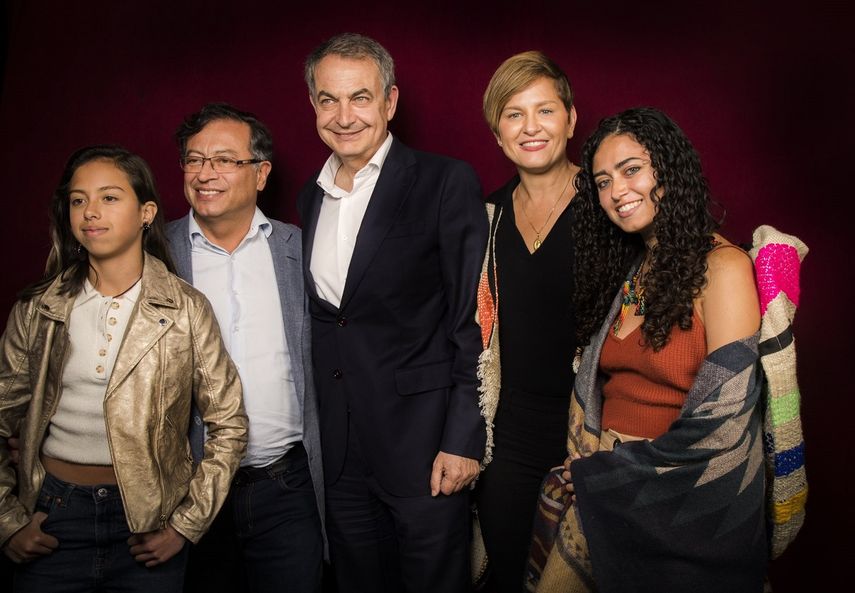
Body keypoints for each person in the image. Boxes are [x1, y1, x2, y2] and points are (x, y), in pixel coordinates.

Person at [527, 107, 766, 593]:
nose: (617, 192)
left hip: (672, 500)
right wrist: (594, 469)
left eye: (631, 170)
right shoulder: (632, 272)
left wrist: (607, 472)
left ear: (668, 170)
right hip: (600, 490)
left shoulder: (724, 269)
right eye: (602, 181)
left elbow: (727, 423)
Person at [0, 145, 247, 593]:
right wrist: (8, 522)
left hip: (149, 522)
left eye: (109, 198)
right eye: (78, 200)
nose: (91, 212)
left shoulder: (186, 310)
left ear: (146, 212)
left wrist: (186, 526)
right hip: (54, 516)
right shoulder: (40, 308)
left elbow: (229, 424)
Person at [297, 33, 488, 593]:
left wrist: (463, 438)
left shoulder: (444, 181)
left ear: (390, 102)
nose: (344, 115)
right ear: (313, 106)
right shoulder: (311, 197)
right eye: (328, 99)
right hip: (340, 451)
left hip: (425, 447)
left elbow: (472, 320)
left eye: (360, 97)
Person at [167, 103, 325, 593]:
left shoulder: (302, 248)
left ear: (261, 174)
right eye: (194, 160)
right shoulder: (155, 252)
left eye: (223, 160)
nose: (205, 174)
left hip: (286, 486)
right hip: (186, 494)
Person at [473, 51, 581, 593]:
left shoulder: (609, 204)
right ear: (498, 132)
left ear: (571, 119)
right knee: (512, 575)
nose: (531, 127)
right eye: (514, 114)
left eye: (545, 110)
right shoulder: (485, 218)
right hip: (509, 437)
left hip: (592, 433)